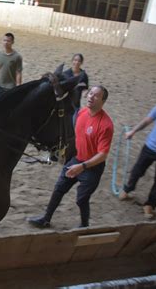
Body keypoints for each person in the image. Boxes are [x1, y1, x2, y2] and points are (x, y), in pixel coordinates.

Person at [28, 86, 114, 228]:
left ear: (103, 101)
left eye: (96, 96)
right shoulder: (81, 112)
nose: (91, 97)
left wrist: (82, 166)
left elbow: (103, 155)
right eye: (90, 93)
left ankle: (84, 225)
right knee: (59, 188)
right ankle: (46, 219)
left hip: (92, 167)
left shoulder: (106, 125)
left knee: (81, 199)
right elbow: (72, 135)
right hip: (76, 159)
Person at [119, 87, 156, 219]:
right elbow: (146, 121)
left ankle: (150, 204)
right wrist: (132, 131)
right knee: (137, 171)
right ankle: (128, 189)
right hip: (150, 147)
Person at [0, 32, 23, 99]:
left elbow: (18, 72)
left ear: (12, 42)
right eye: (4, 40)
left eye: (8, 41)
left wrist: (18, 85)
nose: (6, 43)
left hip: (10, 87)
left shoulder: (17, 57)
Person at [63, 53, 89, 126]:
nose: (77, 62)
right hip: (64, 104)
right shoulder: (65, 74)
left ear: (81, 63)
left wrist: (85, 92)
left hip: (75, 105)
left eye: (79, 61)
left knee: (73, 125)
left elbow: (85, 88)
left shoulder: (83, 75)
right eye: (75, 60)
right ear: (72, 61)